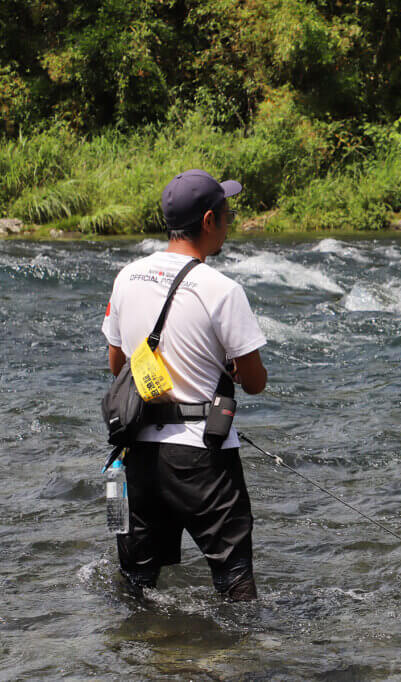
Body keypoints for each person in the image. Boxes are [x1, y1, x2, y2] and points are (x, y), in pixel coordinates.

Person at [101, 169, 268, 601]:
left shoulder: (127, 277)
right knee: (234, 584)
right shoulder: (223, 289)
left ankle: (142, 657)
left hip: (136, 453)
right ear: (209, 221)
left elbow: (116, 362)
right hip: (202, 456)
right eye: (229, 215)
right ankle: (242, 663)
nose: (231, 224)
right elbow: (254, 382)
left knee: (137, 587)